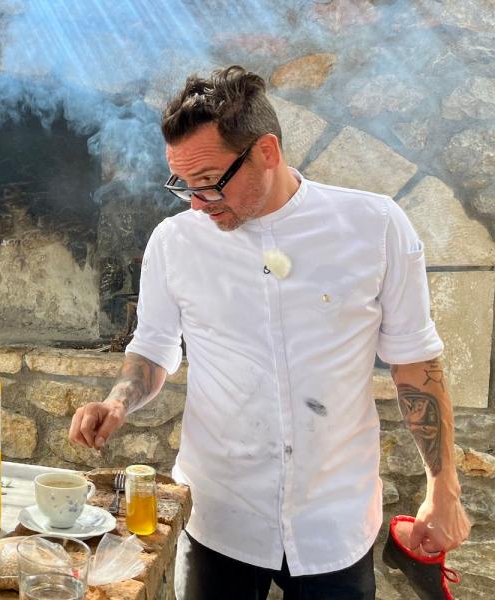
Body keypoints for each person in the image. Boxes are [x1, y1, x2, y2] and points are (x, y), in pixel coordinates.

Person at [69, 66, 471, 599]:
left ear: (267, 152)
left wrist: (443, 489)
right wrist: (120, 401)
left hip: (335, 517)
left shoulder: (376, 226)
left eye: (210, 181)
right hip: (220, 516)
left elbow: (416, 365)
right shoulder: (174, 242)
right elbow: (154, 347)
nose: (196, 203)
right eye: (184, 186)